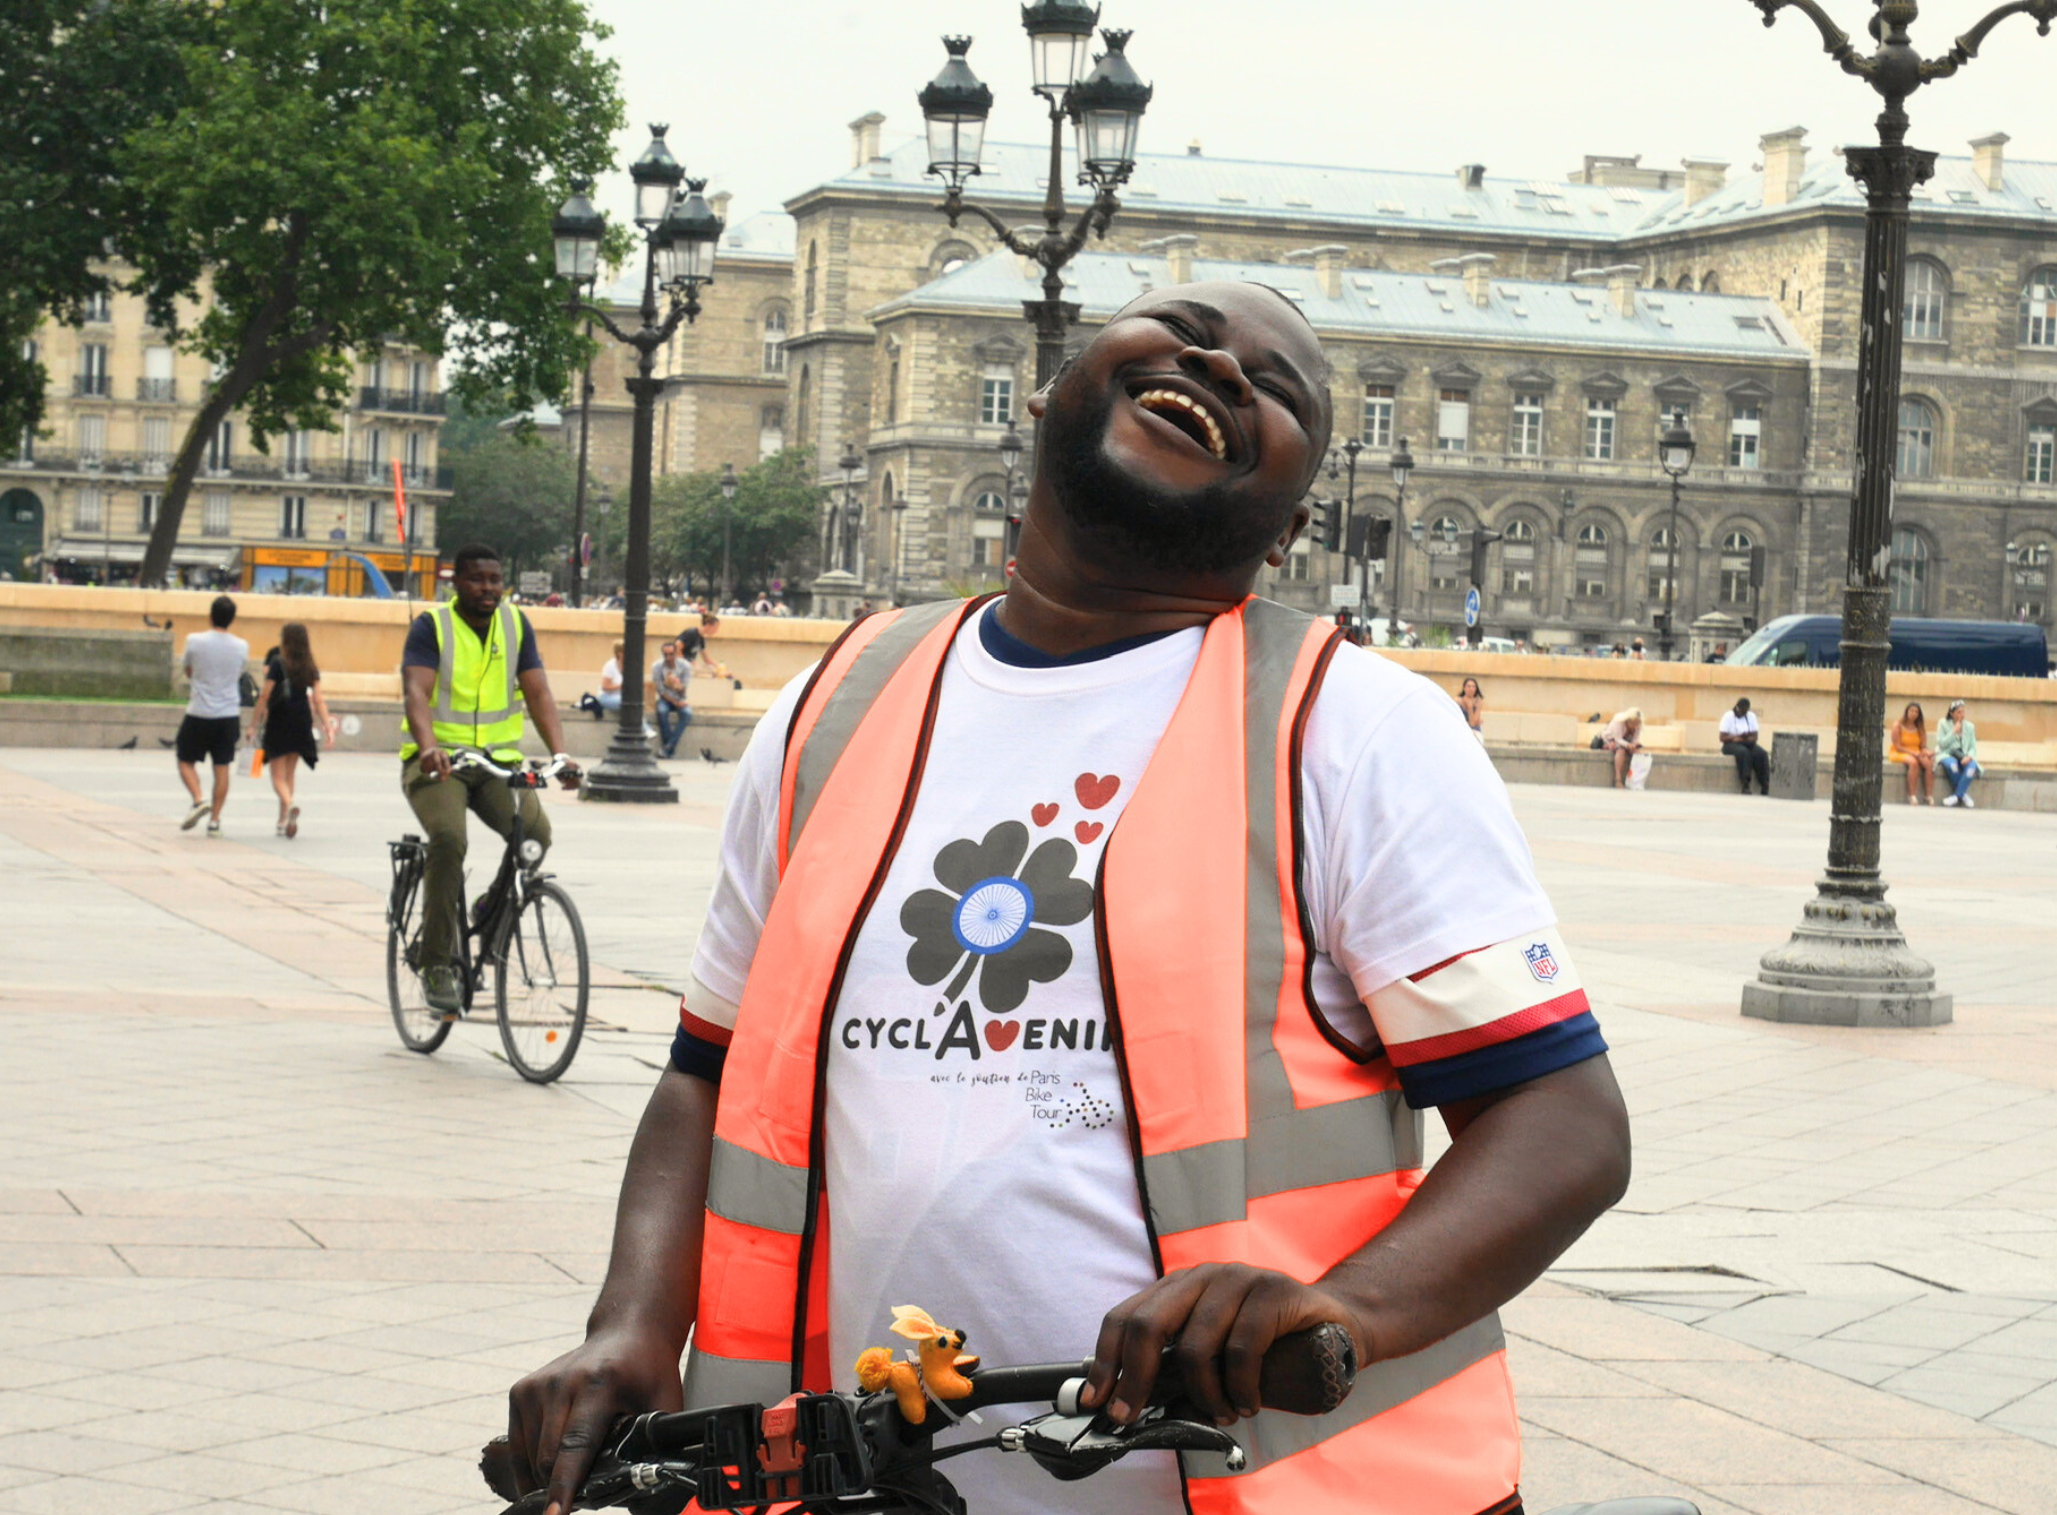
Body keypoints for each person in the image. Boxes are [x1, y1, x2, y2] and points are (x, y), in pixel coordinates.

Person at [504, 280, 1629, 1515]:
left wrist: (1345, 1309)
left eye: (1278, 385)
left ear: (1293, 522)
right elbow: (705, 1074)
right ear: (1046, 394)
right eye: (1186, 330)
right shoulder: (836, 705)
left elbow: (1561, 1119)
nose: (1219, 367)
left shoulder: (1354, 728)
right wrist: (630, 1326)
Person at [401, 544, 581, 1015]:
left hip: (497, 763)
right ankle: (436, 962)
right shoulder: (431, 628)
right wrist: (427, 747)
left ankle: (489, 909)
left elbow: (538, 690)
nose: (488, 588)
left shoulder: (516, 624)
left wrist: (560, 754)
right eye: (478, 579)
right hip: (439, 764)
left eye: (496, 580)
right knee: (448, 838)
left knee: (536, 835)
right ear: (455, 582)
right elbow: (416, 692)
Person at [252, 622, 337, 837]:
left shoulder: (278, 663)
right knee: (290, 774)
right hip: (302, 721)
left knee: (277, 776)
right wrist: (328, 726)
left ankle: (289, 806)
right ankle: (282, 821)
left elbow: (265, 695)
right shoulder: (310, 666)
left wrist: (254, 724)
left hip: (280, 720)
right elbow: (318, 700)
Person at [175, 595, 249, 838]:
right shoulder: (241, 646)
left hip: (198, 712)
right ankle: (215, 821)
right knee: (222, 767)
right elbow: (238, 674)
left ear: (211, 615)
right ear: (232, 619)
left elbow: (187, 669)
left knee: (185, 760)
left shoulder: (194, 641)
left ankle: (198, 799)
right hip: (228, 715)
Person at [1717, 696, 1771, 796]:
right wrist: (1735, 738)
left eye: (1745, 711)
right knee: (1743, 753)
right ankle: (1745, 784)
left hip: (1747, 743)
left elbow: (1754, 737)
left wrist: (1744, 738)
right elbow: (1722, 737)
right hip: (1730, 744)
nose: (1742, 713)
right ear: (1737, 708)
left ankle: (1765, 784)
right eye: (1741, 711)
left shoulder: (1751, 716)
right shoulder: (1728, 716)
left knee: (1761, 754)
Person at [651, 640, 692, 759]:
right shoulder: (657, 666)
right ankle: (669, 747)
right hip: (665, 699)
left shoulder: (685, 666)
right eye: (665, 655)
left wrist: (677, 685)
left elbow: (684, 689)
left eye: (671, 654)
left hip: (680, 697)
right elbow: (660, 690)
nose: (668, 657)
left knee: (687, 714)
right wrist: (675, 702)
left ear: (676, 654)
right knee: (662, 712)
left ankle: (668, 748)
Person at [1936, 698, 1981, 807]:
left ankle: (1956, 796)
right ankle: (1963, 794)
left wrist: (1969, 757)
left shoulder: (1970, 727)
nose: (1962, 715)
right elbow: (1942, 744)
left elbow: (1972, 746)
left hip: (1964, 755)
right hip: (1948, 753)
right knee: (1952, 765)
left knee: (1971, 768)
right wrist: (1953, 732)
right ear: (1952, 713)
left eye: (1963, 712)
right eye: (1958, 712)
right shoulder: (1943, 723)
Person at [1889, 701, 1935, 806]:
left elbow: (1923, 745)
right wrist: (1913, 753)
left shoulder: (1920, 726)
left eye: (1916, 712)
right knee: (1913, 763)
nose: (1913, 713)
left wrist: (1927, 752)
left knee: (1929, 764)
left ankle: (1928, 796)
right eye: (1911, 711)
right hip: (1900, 751)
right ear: (1906, 712)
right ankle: (1912, 795)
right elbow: (1897, 746)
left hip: (1917, 751)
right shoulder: (1898, 725)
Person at [674, 612, 730, 682]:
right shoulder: (691, 633)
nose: (716, 631)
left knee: (711, 671)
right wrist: (686, 663)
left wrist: (721, 669)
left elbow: (707, 659)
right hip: (680, 666)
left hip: (691, 666)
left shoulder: (701, 639)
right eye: (715, 628)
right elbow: (676, 648)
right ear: (708, 625)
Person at [1602, 705, 1645, 788]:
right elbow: (1617, 739)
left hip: (1626, 742)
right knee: (1621, 751)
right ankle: (1618, 779)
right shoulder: (1619, 722)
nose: (1635, 725)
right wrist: (1628, 745)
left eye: (1637, 723)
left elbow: (1635, 738)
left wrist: (1635, 744)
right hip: (1611, 740)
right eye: (1634, 723)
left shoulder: (1638, 725)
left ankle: (1635, 780)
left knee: (1637, 752)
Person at [1456, 675, 1485, 743]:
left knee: (1476, 738)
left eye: (1473, 686)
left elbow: (1473, 723)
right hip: (1461, 729)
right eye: (1468, 686)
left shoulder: (1478, 701)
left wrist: (1470, 708)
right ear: (1464, 688)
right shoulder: (1458, 700)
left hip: (1475, 730)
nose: (1471, 688)